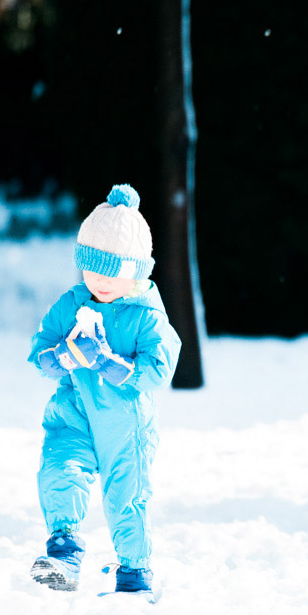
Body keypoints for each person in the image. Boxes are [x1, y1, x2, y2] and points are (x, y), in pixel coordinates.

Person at [28, 184, 181, 593]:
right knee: (60, 467)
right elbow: (40, 352)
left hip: (124, 423)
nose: (100, 281)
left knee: (125, 496)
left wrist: (107, 363)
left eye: (112, 271)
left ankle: (134, 571)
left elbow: (160, 367)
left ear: (135, 270)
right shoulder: (74, 303)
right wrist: (64, 357)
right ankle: (64, 552)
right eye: (92, 269)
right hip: (75, 409)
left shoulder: (146, 315)